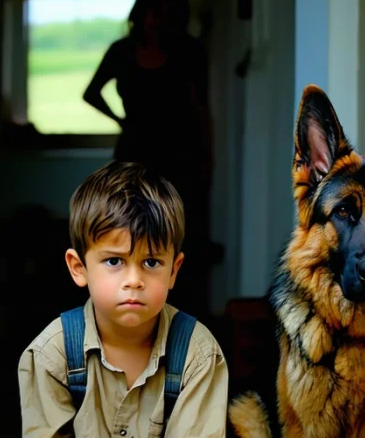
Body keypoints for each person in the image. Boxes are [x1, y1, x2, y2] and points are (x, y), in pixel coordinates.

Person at [18, 161, 228, 437]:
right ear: (78, 268)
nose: (133, 280)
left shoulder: (197, 354)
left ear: (174, 271)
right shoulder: (52, 355)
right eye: (114, 261)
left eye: (151, 262)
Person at [83, 0, 214, 321]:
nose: (159, 18)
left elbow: (202, 110)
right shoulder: (122, 51)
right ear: (141, 12)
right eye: (154, 10)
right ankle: (129, 317)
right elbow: (91, 93)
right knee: (128, 232)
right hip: (132, 156)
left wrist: (207, 161)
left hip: (180, 157)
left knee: (175, 238)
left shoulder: (189, 52)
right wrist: (122, 120)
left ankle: (180, 323)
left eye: (168, 12)